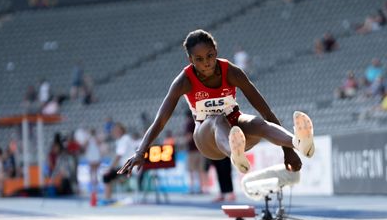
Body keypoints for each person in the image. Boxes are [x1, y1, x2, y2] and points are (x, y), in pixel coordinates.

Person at [118, 29, 315, 180]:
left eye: (210, 56)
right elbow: (160, 121)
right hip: (207, 137)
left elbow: (265, 111)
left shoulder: (232, 71)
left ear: (216, 51)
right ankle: (234, 154)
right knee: (216, 119)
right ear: (190, 60)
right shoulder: (183, 81)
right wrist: (140, 152)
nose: (206, 63)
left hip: (235, 124)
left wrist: (287, 151)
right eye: (199, 59)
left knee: (257, 122)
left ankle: (298, 142)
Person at [103, 123, 137, 200]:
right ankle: (109, 196)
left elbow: (118, 156)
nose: (114, 132)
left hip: (130, 167)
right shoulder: (122, 140)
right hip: (127, 166)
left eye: (116, 130)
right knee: (111, 174)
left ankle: (107, 199)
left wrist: (109, 168)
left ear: (121, 131)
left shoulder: (124, 139)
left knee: (106, 176)